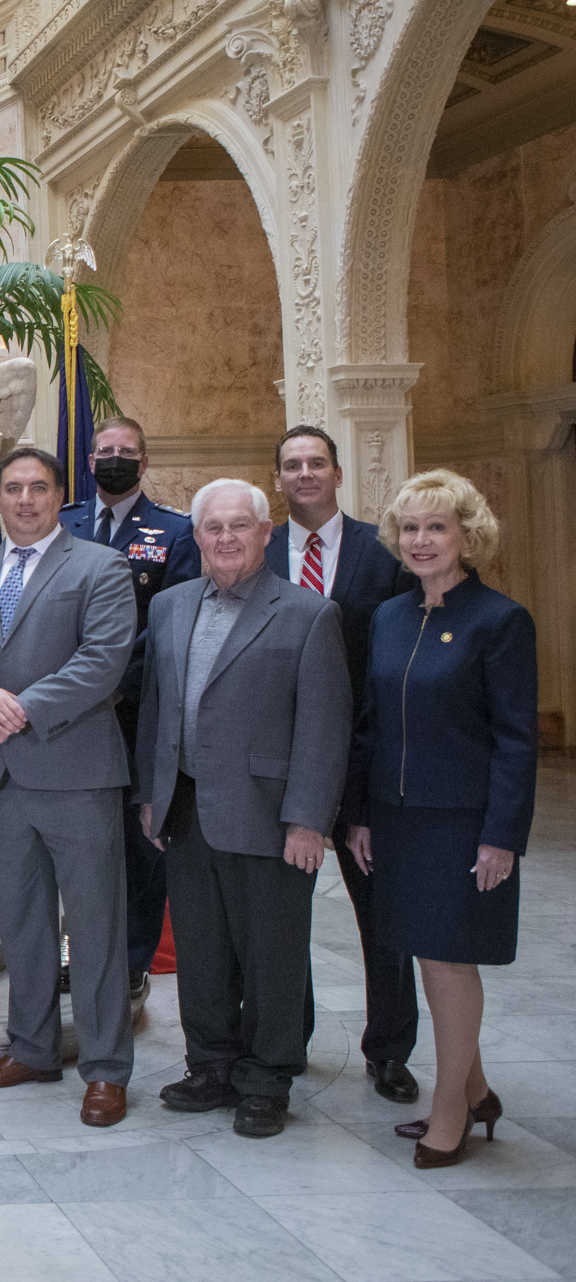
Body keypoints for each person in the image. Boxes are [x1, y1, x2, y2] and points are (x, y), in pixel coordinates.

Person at [0, 446, 137, 1127]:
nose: (24, 500)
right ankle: (32, 1047)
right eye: (12, 488)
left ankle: (105, 1069)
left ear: (58, 496)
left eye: (38, 488)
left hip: (74, 768)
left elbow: (103, 660)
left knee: (97, 926)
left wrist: (23, 706)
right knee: (20, 924)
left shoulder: (101, 566)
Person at [134, 479, 350, 1138]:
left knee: (271, 954)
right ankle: (212, 1064)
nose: (225, 538)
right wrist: (151, 793)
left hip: (270, 814)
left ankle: (266, 1075)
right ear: (196, 537)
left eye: (239, 526)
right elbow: (154, 707)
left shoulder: (308, 613)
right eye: (213, 528)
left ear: (264, 533)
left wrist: (309, 819)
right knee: (201, 950)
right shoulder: (170, 606)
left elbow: (324, 726)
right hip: (188, 806)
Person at [341, 470, 537, 1168]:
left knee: (451, 964)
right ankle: (476, 1087)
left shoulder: (501, 621)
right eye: (412, 528)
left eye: (438, 527)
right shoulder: (391, 618)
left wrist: (502, 835)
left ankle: (450, 1108)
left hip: (463, 823)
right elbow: (369, 726)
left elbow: (517, 738)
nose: (422, 540)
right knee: (427, 955)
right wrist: (361, 815)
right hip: (396, 821)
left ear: (467, 535)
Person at [268, 424, 421, 1103]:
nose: (304, 474)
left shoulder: (382, 555)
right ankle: (286, 1037)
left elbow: (398, 668)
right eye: (292, 465)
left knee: (383, 913)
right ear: (277, 479)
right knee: (279, 911)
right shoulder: (257, 548)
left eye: (316, 463)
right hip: (279, 763)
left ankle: (389, 1049)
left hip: (364, 760)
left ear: (336, 473)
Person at [55, 417, 198, 998]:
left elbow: (170, 620)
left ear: (144, 462)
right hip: (65, 714)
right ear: (89, 461)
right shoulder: (62, 525)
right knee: (78, 843)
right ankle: (78, 952)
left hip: (132, 708)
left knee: (138, 845)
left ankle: (134, 959)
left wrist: (108, 682)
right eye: (104, 451)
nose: (114, 460)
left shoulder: (175, 531)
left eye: (126, 452)